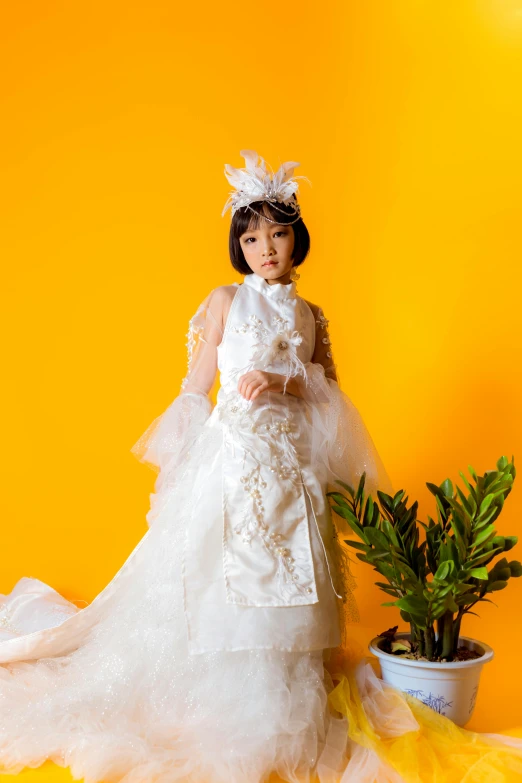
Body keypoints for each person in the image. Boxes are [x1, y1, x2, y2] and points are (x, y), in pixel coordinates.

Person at [0, 150, 521, 783]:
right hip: (233, 457)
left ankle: (284, 686)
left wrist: (285, 376)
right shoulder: (224, 301)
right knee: (225, 571)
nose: (264, 248)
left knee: (293, 570)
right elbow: (196, 385)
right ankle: (225, 686)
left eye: (276, 233)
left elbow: (330, 389)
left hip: (291, 463)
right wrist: (182, 456)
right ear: (238, 246)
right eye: (250, 237)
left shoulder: (309, 316)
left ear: (296, 238)